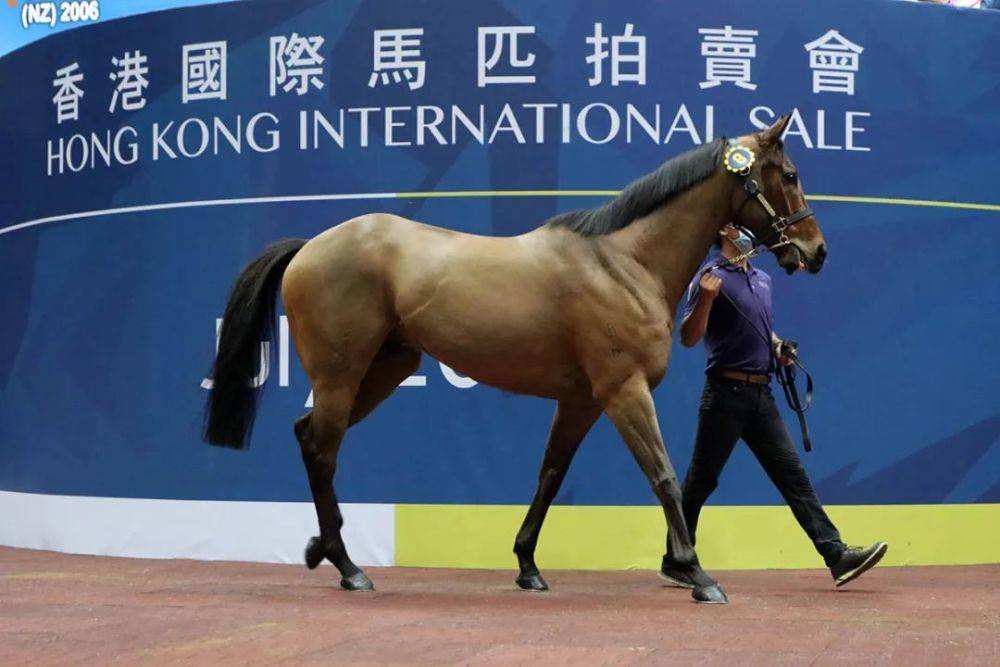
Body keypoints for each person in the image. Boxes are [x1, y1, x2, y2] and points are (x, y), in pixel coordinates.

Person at [661, 223, 888, 589]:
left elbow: (761, 329)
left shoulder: (763, 279)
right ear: (723, 232)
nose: (749, 232)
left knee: (793, 477)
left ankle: (837, 556)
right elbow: (688, 338)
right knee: (702, 481)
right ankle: (676, 557)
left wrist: (778, 348)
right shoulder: (709, 276)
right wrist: (704, 299)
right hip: (724, 394)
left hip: (761, 395)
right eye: (740, 227)